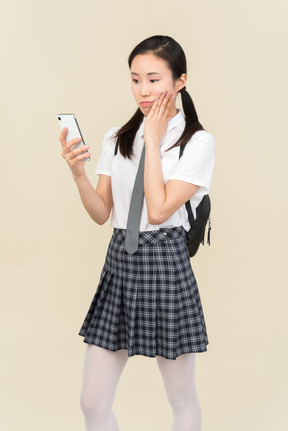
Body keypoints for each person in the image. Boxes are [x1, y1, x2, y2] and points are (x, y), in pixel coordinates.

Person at [60, 35, 215, 431]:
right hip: (119, 261)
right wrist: (78, 173)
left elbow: (161, 210)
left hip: (166, 262)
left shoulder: (198, 142)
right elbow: (101, 213)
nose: (143, 91)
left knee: (181, 398)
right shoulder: (117, 137)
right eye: (135, 80)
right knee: (92, 401)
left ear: (180, 81)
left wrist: (152, 136)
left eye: (153, 80)